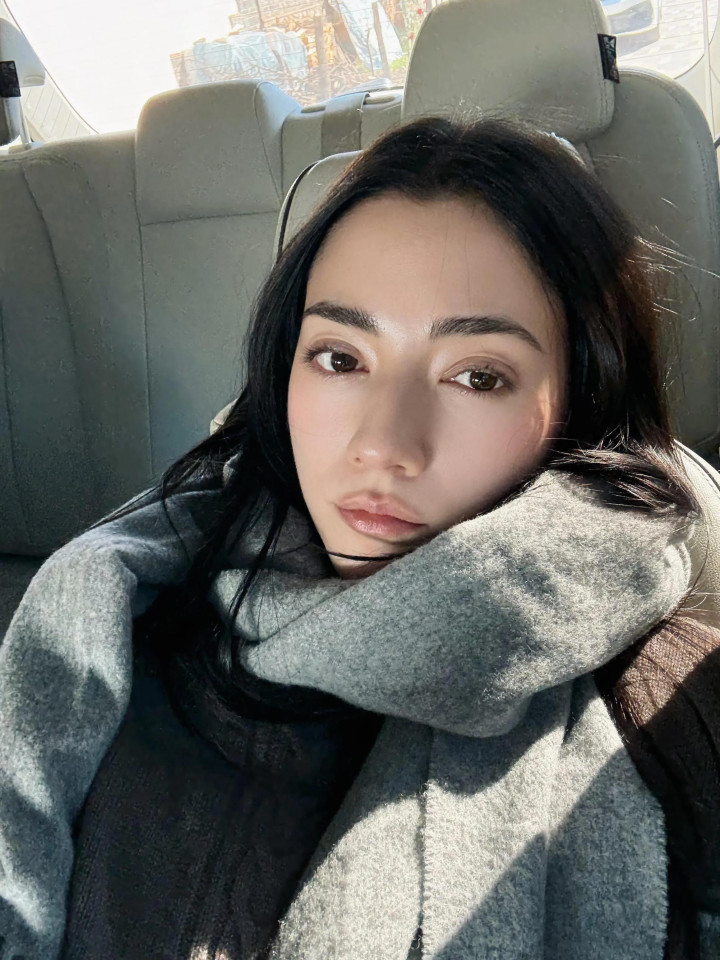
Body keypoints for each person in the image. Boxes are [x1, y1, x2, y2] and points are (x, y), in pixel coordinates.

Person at [0, 115, 718, 960]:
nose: (383, 444)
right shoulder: (111, 628)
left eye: (477, 376)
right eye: (340, 358)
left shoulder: (676, 713)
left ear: (580, 405)